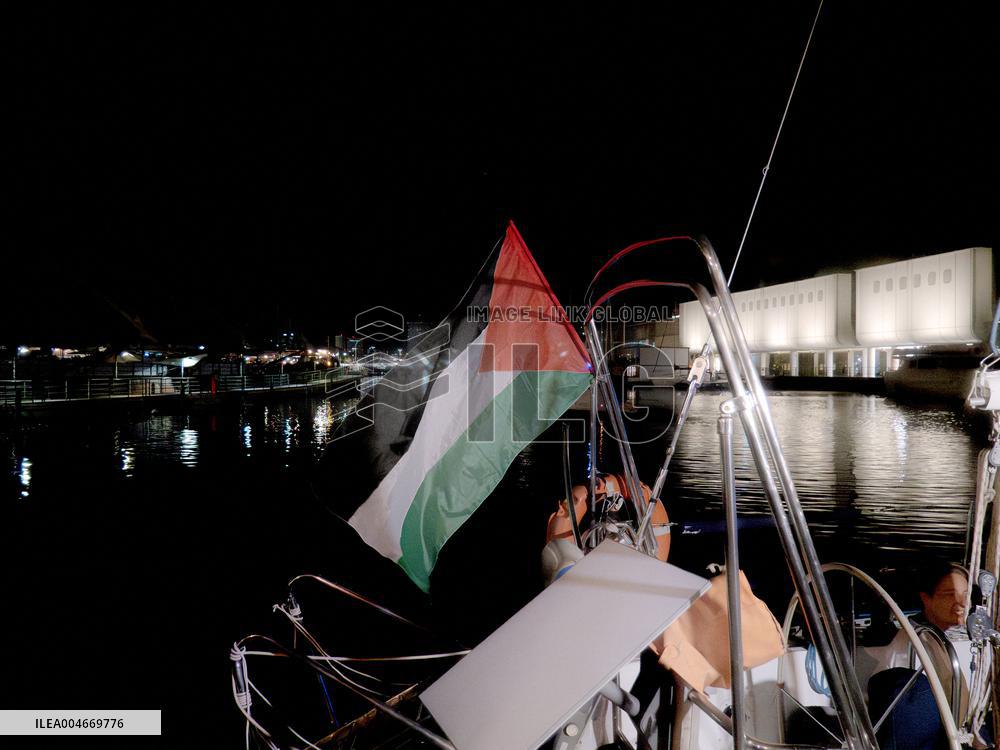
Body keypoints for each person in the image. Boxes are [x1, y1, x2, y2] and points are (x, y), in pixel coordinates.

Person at [869, 561, 976, 748]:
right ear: (926, 599)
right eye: (949, 595)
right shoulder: (912, 643)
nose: (960, 603)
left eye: (965, 594)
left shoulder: (966, 639)